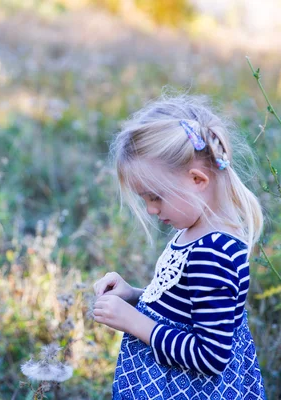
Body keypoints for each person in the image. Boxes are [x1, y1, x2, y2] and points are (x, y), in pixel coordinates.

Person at [93, 93, 266, 399]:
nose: (150, 209)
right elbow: (183, 307)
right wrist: (133, 295)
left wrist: (134, 322)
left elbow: (210, 356)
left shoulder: (213, 254)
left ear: (197, 180)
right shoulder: (196, 232)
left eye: (155, 196)